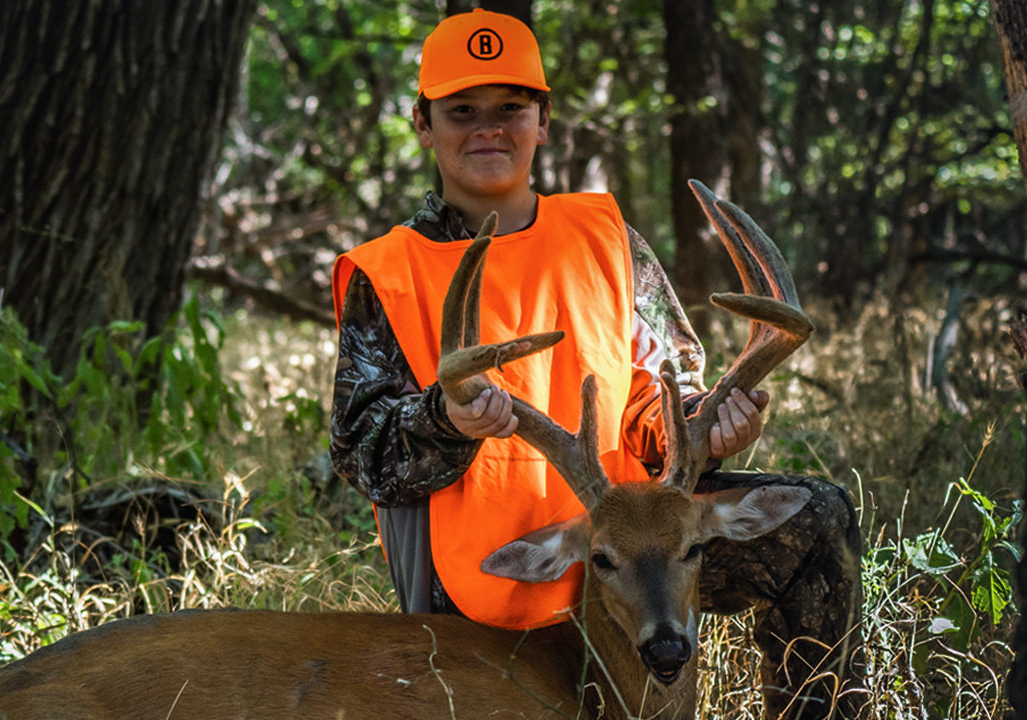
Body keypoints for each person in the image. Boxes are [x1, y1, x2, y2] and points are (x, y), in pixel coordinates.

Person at [329, 9, 862, 718]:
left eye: (511, 109)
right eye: (462, 111)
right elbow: (360, 454)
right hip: (486, 576)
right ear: (424, 125)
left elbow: (659, 397)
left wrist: (708, 426)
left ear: (542, 122)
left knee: (818, 519)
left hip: (637, 549)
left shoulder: (604, 237)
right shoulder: (388, 271)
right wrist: (444, 419)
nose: (489, 128)